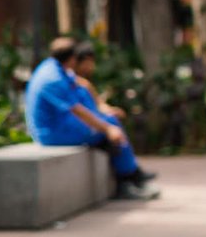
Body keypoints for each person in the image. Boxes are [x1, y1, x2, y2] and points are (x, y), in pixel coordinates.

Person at [24, 36, 158, 201]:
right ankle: (128, 179)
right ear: (73, 58)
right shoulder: (53, 79)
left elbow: (83, 84)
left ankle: (131, 175)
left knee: (107, 123)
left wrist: (102, 106)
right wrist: (107, 128)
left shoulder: (52, 67)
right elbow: (77, 111)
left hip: (59, 125)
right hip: (52, 133)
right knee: (110, 126)